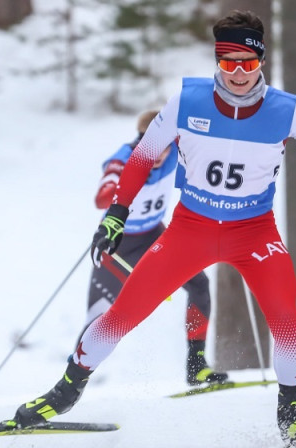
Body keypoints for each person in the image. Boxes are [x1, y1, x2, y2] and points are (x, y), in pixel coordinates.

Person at [13, 10, 296, 447]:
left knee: (287, 320)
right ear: (217, 61)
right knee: (122, 314)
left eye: (247, 63)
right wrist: (116, 214)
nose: (237, 73)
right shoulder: (187, 100)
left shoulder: (288, 111)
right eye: (228, 62)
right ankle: (63, 393)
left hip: (254, 233)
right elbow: (142, 158)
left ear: (261, 62)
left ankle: (292, 415)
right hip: (190, 229)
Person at [86, 109, 226, 387]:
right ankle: (69, 388)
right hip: (119, 245)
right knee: (97, 321)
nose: (159, 154)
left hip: (154, 234)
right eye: (151, 144)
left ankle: (196, 365)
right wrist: (126, 185)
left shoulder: (175, 150)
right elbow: (102, 199)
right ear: (140, 140)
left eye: (164, 145)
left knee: (199, 285)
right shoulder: (123, 160)